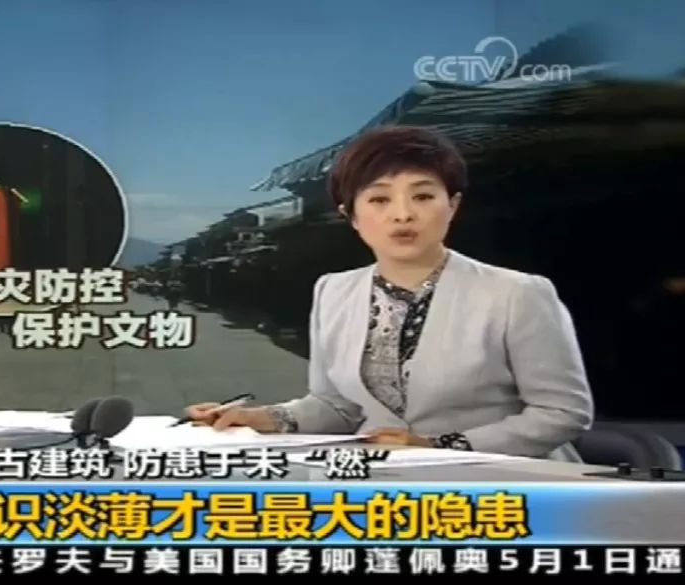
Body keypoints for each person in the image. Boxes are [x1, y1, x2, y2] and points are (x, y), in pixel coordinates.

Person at [184, 125, 594, 461]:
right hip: (390, 490)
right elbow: (335, 407)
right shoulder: (334, 290)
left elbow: (563, 413)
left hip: (509, 491)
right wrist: (259, 418)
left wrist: (439, 446)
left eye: (423, 196)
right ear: (351, 215)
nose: (402, 214)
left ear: (452, 205)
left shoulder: (517, 293)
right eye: (379, 198)